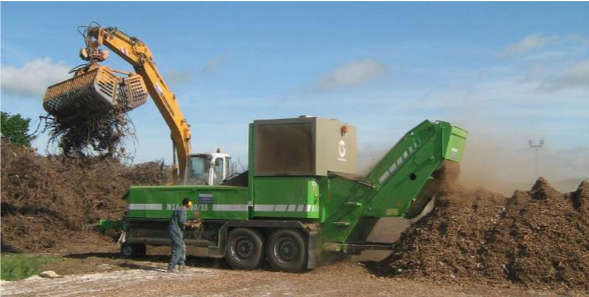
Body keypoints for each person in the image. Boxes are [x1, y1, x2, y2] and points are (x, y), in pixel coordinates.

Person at [168, 197, 191, 272]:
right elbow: (182, 222)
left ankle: (181, 265)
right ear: (188, 204)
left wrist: (191, 222)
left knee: (182, 247)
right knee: (177, 248)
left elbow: (182, 220)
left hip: (176, 231)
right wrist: (191, 225)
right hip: (176, 231)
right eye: (190, 204)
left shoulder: (180, 209)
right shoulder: (183, 210)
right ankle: (171, 267)